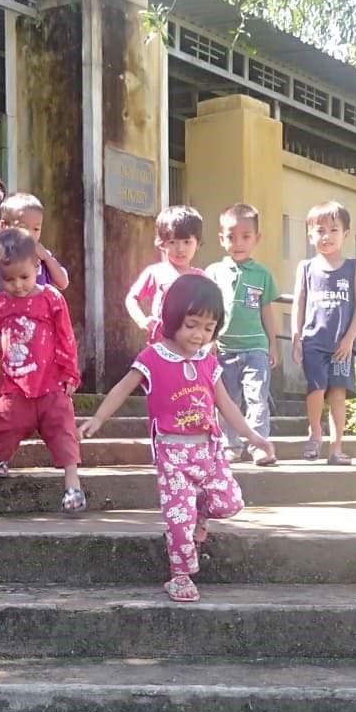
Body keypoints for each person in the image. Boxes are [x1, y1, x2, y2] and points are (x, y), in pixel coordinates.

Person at [81, 274, 273, 602]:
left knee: (229, 503)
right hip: (172, 452)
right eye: (191, 325)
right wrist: (98, 418)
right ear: (173, 319)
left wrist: (253, 436)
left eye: (208, 328)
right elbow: (123, 388)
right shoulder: (153, 357)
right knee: (178, 518)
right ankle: (180, 576)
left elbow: (226, 405)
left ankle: (199, 514)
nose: (199, 334)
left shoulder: (208, 361)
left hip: (209, 449)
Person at [0, 228, 85, 512]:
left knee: (63, 431)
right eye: (8, 279)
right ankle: (1, 458)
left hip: (52, 384)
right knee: (5, 423)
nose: (17, 285)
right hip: (14, 384)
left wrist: (70, 372)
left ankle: (73, 485)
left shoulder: (51, 298)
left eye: (24, 277)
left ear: (37, 266)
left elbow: (66, 336)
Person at [291, 201, 356, 466]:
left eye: (333, 230)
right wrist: (296, 336)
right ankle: (314, 433)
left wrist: (349, 338)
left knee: (338, 394)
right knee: (316, 388)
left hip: (342, 345)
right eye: (320, 230)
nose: (327, 236)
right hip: (314, 341)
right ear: (310, 235)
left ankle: (336, 448)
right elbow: (298, 303)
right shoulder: (306, 267)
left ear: (345, 233)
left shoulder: (353, 267)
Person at [205, 204, 279, 466]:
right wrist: (209, 340)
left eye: (246, 236)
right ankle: (230, 446)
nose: (238, 243)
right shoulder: (213, 272)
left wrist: (272, 344)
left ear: (256, 238)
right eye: (231, 236)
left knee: (257, 398)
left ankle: (259, 446)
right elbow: (208, 311)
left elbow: (267, 311)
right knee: (227, 401)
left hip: (256, 347)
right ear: (221, 238)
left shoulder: (263, 274)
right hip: (224, 349)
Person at [125, 205, 205, 343]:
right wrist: (142, 320)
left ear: (197, 243)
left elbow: (214, 312)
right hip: (161, 345)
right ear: (162, 244)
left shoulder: (202, 279)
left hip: (191, 347)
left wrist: (211, 340)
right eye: (172, 242)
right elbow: (131, 299)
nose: (180, 249)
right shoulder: (155, 272)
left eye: (187, 242)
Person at [0, 192, 69, 290]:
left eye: (36, 229)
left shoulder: (42, 257)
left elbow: (63, 283)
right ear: (4, 226)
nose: (30, 234)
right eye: (22, 227)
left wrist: (47, 257)